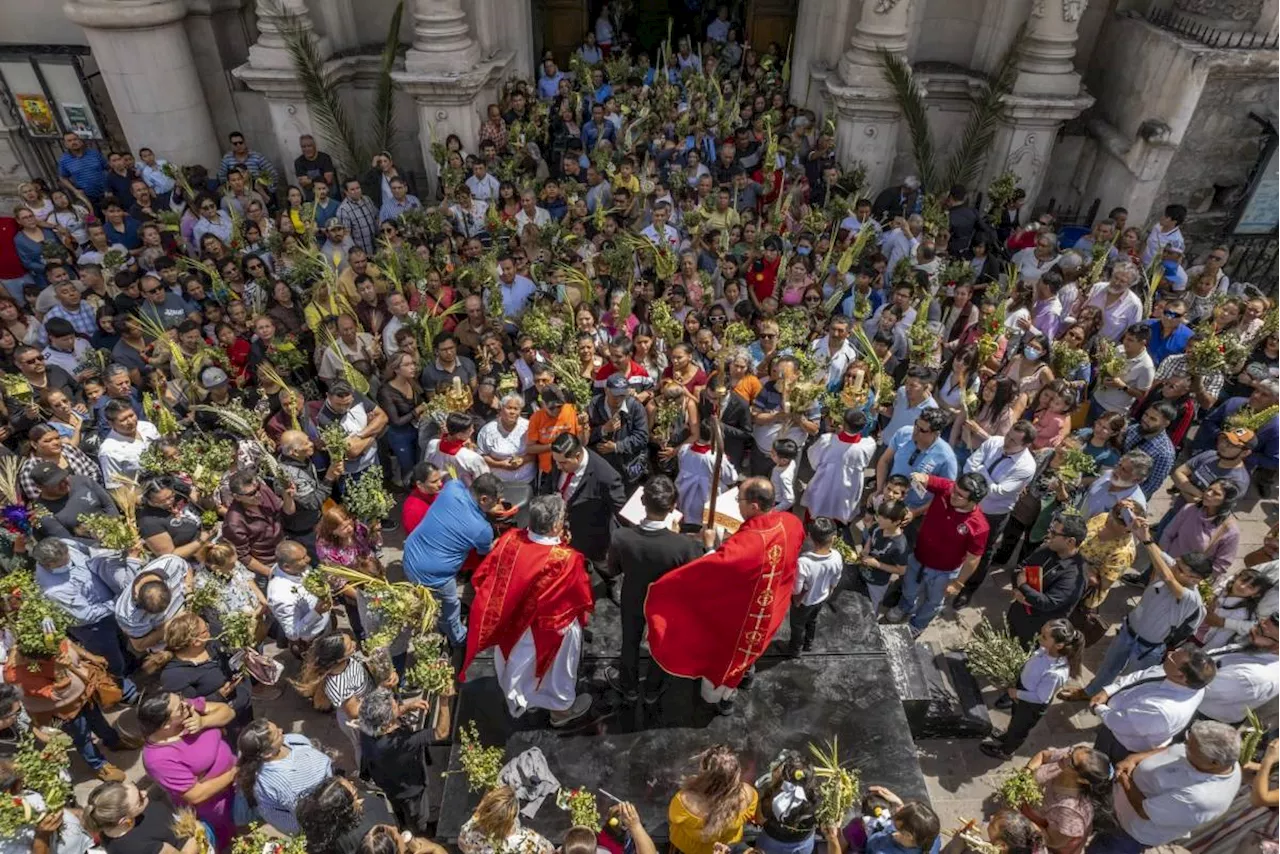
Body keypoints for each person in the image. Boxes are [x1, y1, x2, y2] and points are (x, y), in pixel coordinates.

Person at [644, 477, 805, 713]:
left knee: (722, 663)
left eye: (739, 499)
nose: (737, 504)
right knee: (749, 656)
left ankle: (719, 699)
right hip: (771, 609)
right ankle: (744, 679)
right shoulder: (792, 523)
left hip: (740, 619)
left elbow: (716, 568)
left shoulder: (747, 544)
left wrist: (709, 547)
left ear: (754, 507)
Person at [460, 494, 595, 725]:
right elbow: (577, 595)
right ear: (555, 526)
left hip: (512, 623)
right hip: (548, 631)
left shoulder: (510, 539)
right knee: (556, 672)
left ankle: (525, 702)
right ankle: (560, 711)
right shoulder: (566, 559)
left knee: (517, 668)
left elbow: (486, 574)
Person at [602, 475, 705, 703]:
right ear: (673, 507)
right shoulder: (684, 545)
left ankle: (628, 687)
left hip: (633, 596)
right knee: (660, 643)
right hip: (665, 602)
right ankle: (652, 689)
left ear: (642, 502)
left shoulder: (621, 537)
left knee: (630, 640)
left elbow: (614, 569)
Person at [1087, 721, 1239, 853]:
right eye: (1187, 740)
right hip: (1116, 805)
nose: (1184, 746)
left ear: (1214, 764)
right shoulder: (1219, 759)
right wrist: (1134, 759)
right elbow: (1172, 749)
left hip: (1126, 833)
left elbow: (1144, 810)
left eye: (1189, 748)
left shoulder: (1200, 798)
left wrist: (1124, 778)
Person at [401, 474, 502, 645]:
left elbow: (455, 478)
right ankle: (458, 637)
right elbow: (485, 551)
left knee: (425, 596)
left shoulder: (453, 487)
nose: (498, 504)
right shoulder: (482, 529)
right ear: (484, 499)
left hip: (411, 555)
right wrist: (497, 543)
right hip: (435, 576)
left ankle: (427, 607)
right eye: (497, 500)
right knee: (450, 607)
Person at [886, 472, 990, 635]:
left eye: (960, 495)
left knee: (934, 602)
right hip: (919, 556)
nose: (953, 495)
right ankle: (904, 606)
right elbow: (927, 480)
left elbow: (973, 558)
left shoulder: (978, 526)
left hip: (944, 572)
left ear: (973, 501)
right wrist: (920, 477)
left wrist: (958, 583)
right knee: (909, 587)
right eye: (954, 489)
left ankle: (918, 624)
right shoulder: (947, 489)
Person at [137, 691, 238, 848]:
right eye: (180, 707)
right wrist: (234, 773)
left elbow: (228, 712)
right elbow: (197, 794)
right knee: (229, 837)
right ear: (166, 725)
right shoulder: (158, 759)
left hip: (236, 781)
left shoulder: (183, 708)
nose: (187, 704)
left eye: (182, 699)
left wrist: (204, 721)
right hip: (215, 803)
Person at [1088, 645, 1217, 764]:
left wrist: (1098, 708)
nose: (1169, 653)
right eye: (1175, 652)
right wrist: (1108, 691)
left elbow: (1121, 722)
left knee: (1097, 763)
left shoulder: (1162, 710)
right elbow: (1140, 676)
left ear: (1181, 676)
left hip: (1119, 740)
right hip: (1116, 717)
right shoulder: (1182, 677)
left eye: (1172, 657)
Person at [979, 619, 1084, 760]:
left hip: (1031, 704)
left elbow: (1041, 698)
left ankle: (1006, 751)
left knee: (1019, 729)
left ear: (1058, 645)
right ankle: (1007, 736)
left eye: (1044, 637)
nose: (1039, 637)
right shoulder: (1045, 650)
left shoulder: (1055, 673)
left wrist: (1018, 693)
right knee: (1016, 719)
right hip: (1024, 693)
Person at [144, 613, 253, 742]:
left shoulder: (212, 643)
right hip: (222, 724)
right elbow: (185, 707)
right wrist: (218, 696)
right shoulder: (175, 676)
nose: (210, 629)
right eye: (205, 630)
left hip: (244, 707)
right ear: (195, 641)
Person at [356, 688, 434, 832]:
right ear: (387, 724)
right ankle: (420, 832)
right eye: (396, 706)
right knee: (417, 816)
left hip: (387, 783)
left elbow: (386, 719)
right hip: (410, 791)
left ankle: (403, 824)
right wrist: (445, 701)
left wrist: (407, 707)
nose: (399, 706)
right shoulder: (400, 744)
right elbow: (441, 732)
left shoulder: (367, 727)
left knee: (398, 809)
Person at [235, 719, 332, 834]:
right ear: (268, 753)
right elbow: (304, 815)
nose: (282, 730)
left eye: (277, 728)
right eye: (277, 735)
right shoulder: (280, 784)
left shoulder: (291, 740)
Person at [1006, 514, 1089, 645]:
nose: (1048, 535)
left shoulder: (1074, 577)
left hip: (1036, 629)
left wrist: (1023, 586)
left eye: (1054, 533)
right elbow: (1020, 568)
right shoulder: (1047, 549)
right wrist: (1017, 589)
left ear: (1070, 542)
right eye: (1050, 529)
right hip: (1017, 613)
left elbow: (1047, 603)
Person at [1020, 745, 1113, 854]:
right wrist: (1027, 771)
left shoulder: (1070, 811)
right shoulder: (1068, 758)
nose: (1064, 755)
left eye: (1071, 761)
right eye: (1073, 751)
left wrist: (1020, 823)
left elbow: (1053, 840)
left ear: (1082, 780)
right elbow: (1043, 755)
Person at [667, 745, 758, 854]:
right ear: (735, 775)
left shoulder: (683, 800)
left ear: (704, 773)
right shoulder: (748, 794)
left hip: (688, 849)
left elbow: (673, 819)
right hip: (724, 849)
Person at [801, 409, 877, 524]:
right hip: (847, 490)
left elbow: (813, 458)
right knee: (839, 515)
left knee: (816, 510)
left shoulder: (827, 440)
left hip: (824, 484)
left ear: (844, 424)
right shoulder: (868, 445)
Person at [787, 516, 843, 657]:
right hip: (822, 598)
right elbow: (836, 577)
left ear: (810, 537)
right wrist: (830, 590)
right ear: (833, 538)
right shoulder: (837, 556)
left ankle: (795, 649)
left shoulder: (804, 562)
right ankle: (808, 643)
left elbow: (797, 589)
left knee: (797, 625)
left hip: (805, 602)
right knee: (812, 621)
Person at [267, 540, 334, 648]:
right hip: (314, 639)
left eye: (305, 555)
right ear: (286, 567)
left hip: (325, 621)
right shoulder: (280, 595)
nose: (308, 559)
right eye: (302, 559)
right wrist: (316, 612)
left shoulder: (295, 568)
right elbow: (292, 633)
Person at [458, 786, 554, 854]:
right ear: (512, 818)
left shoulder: (471, 828)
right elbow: (550, 849)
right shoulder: (527, 841)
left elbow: (461, 844)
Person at [401, 460, 443, 534]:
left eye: (440, 479)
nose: (440, 484)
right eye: (434, 482)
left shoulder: (436, 492)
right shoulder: (413, 510)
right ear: (419, 484)